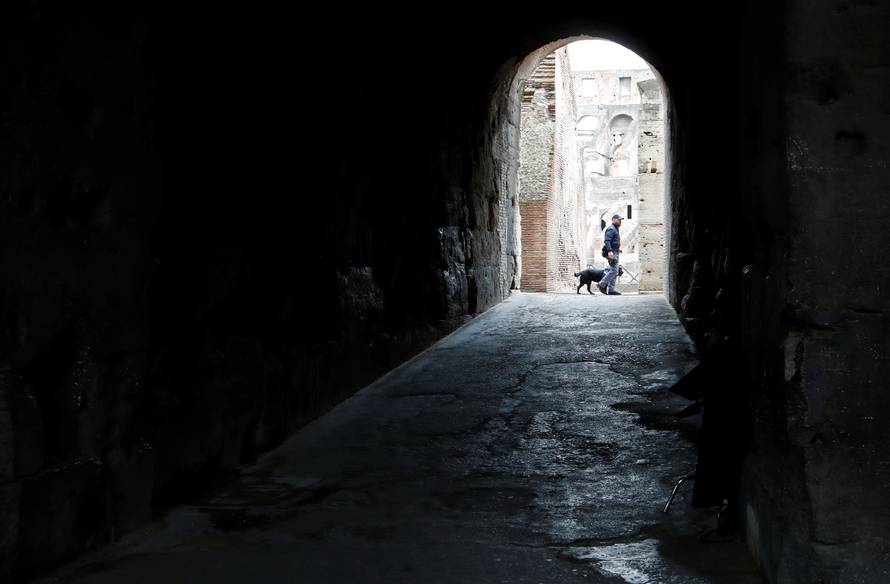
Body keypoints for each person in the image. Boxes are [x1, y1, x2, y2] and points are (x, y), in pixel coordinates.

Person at [597, 213, 623, 295]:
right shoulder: (611, 229)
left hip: (615, 251)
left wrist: (618, 249)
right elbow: (607, 241)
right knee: (614, 270)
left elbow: (613, 241)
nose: (620, 221)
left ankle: (611, 290)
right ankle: (601, 284)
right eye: (618, 220)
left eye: (620, 220)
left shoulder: (615, 228)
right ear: (613, 220)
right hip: (612, 252)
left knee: (614, 270)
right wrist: (609, 251)